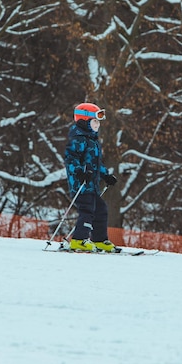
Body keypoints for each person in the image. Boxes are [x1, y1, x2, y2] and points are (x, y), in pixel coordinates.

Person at [64, 102, 118, 252]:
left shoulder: (93, 141)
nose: (97, 125)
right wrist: (80, 171)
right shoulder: (78, 139)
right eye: (94, 121)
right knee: (87, 210)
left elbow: (95, 163)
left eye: (98, 122)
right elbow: (70, 159)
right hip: (80, 184)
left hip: (91, 184)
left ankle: (100, 240)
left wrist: (105, 175)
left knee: (101, 209)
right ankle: (78, 240)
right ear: (84, 121)